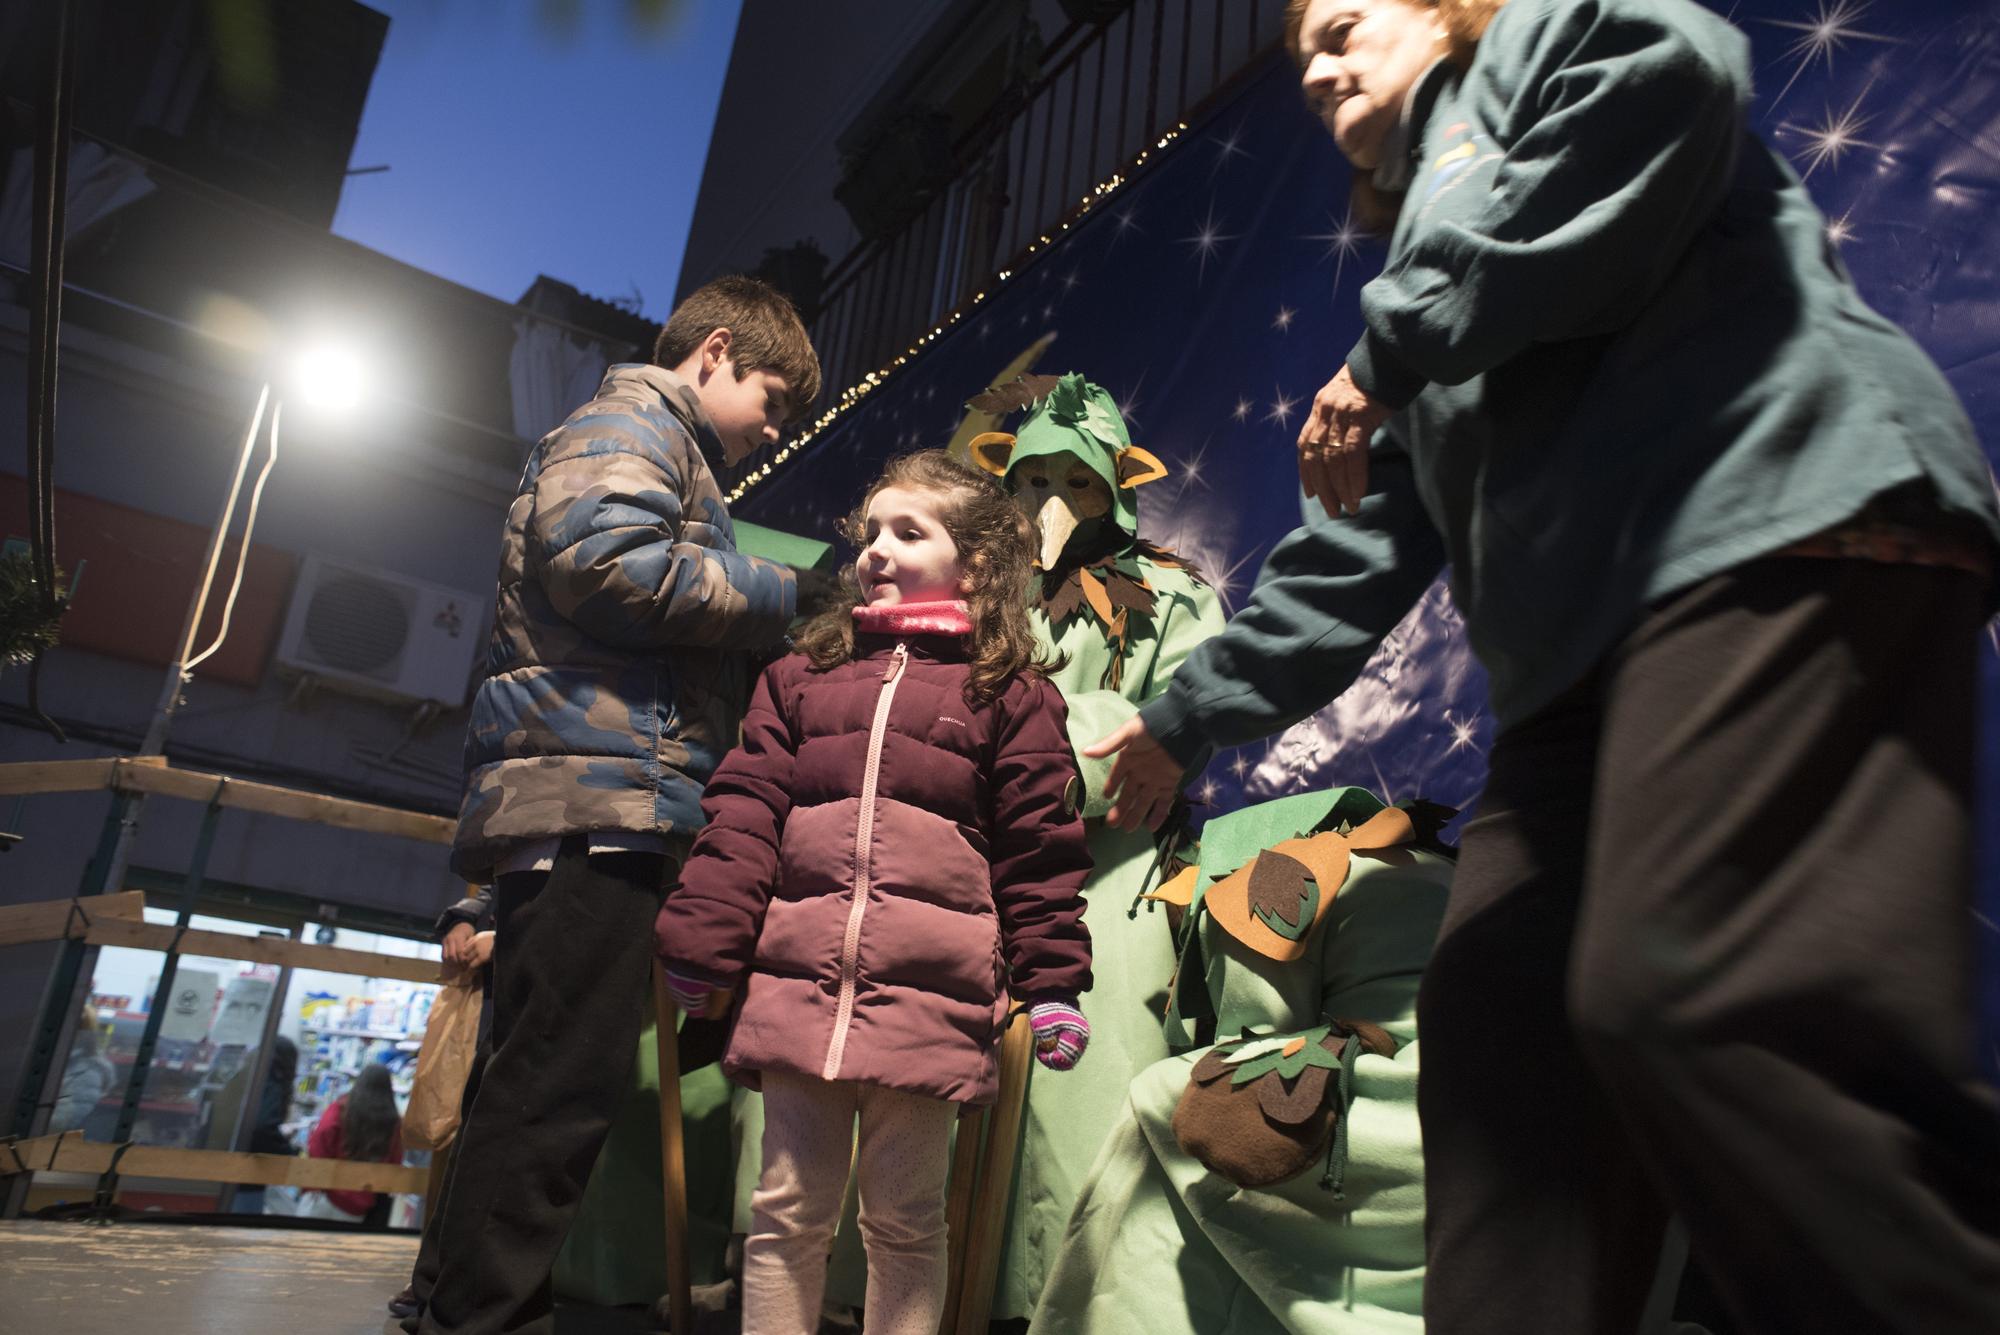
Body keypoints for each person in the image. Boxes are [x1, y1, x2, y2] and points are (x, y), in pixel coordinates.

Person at [1086, 1, 2000, 1332]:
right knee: (1505, 1053)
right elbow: (1361, 548)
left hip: (1780, 524)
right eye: (1301, 57)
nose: (1321, 63)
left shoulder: (1537, 51)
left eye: (1345, 23)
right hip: (1588, 667)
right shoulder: (1426, 277)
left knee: (1708, 993)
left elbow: (1672, 75)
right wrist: (1184, 717)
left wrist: (1398, 338)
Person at [421, 275, 820, 1335]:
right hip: (598, 799)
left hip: (585, 792)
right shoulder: (632, 419)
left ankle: (446, 1311)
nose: (772, 429)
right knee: (554, 1090)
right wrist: (785, 594)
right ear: (715, 350)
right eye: (772, 398)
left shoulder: (646, 436)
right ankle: (481, 1323)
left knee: (530, 1082)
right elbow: (603, 566)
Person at [655, 449, 1095, 1335]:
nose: (876, 550)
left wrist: (1051, 985)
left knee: (903, 1221)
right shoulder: (800, 680)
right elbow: (741, 816)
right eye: (870, 532)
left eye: (909, 530)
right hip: (796, 987)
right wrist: (704, 942)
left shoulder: (1009, 694)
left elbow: (1039, 852)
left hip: (930, 998)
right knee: (784, 1209)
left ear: (972, 563)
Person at [958, 372, 1227, 1318]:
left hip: (1104, 880)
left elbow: (1169, 728)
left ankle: (1062, 1303)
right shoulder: (977, 595)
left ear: (1114, 484)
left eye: (1075, 481)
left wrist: (1011, 747)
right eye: (1030, 482)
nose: (1049, 504)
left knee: (1081, 1107)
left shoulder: (1171, 594)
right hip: (964, 874)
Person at [390, 889, 494, 1322]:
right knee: (468, 1146)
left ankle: (452, 1286)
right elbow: (494, 886)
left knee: (490, 1148)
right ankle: (436, 1281)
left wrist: (507, 936)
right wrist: (463, 923)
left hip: (531, 1001)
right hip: (492, 1001)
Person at [304, 1061, 404, 1227]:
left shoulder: (341, 1109)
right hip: (358, 1204)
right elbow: (394, 1164)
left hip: (325, 1195)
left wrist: (315, 1182)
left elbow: (319, 1141)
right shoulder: (392, 1122)